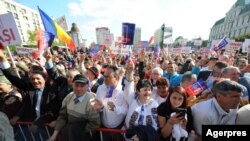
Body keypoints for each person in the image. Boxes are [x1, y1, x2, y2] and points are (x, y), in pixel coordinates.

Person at [48, 74, 100, 141]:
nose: (78, 88)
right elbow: (62, 117)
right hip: (68, 135)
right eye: (76, 85)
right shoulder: (69, 96)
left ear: (87, 87)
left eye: (82, 86)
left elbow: (95, 123)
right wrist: (53, 136)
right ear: (72, 85)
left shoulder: (92, 101)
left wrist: (77, 130)